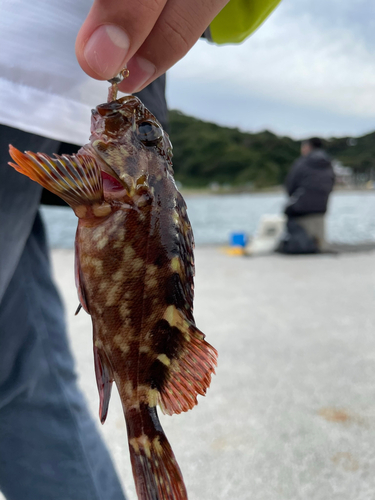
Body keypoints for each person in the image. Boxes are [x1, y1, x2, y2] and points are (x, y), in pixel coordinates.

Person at [0, 1, 281, 499]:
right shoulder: (120, 191)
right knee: (19, 369)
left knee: (20, 373)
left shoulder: (117, 191)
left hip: (19, 78)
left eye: (148, 136)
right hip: (35, 81)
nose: (140, 132)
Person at [278, 137, 335, 253]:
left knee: (287, 211)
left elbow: (290, 185)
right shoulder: (328, 163)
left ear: (307, 147)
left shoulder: (302, 162)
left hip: (302, 208)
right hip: (322, 207)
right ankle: (316, 243)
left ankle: (301, 243)